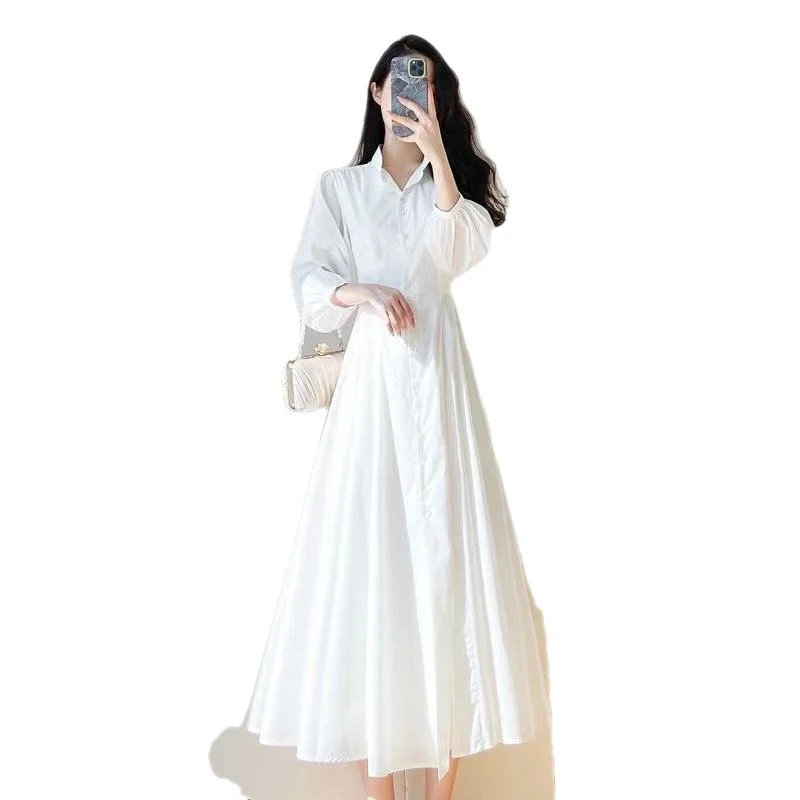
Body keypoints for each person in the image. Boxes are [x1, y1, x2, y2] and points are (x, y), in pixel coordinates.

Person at [243, 35, 551, 800]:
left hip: (439, 386)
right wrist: (365, 292)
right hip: (371, 396)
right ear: (377, 91)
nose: (412, 95)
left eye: (428, 86)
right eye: (401, 83)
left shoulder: (449, 192)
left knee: (448, 567)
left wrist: (439, 153)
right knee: (369, 571)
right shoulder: (340, 189)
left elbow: (456, 251)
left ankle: (441, 793)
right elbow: (309, 278)